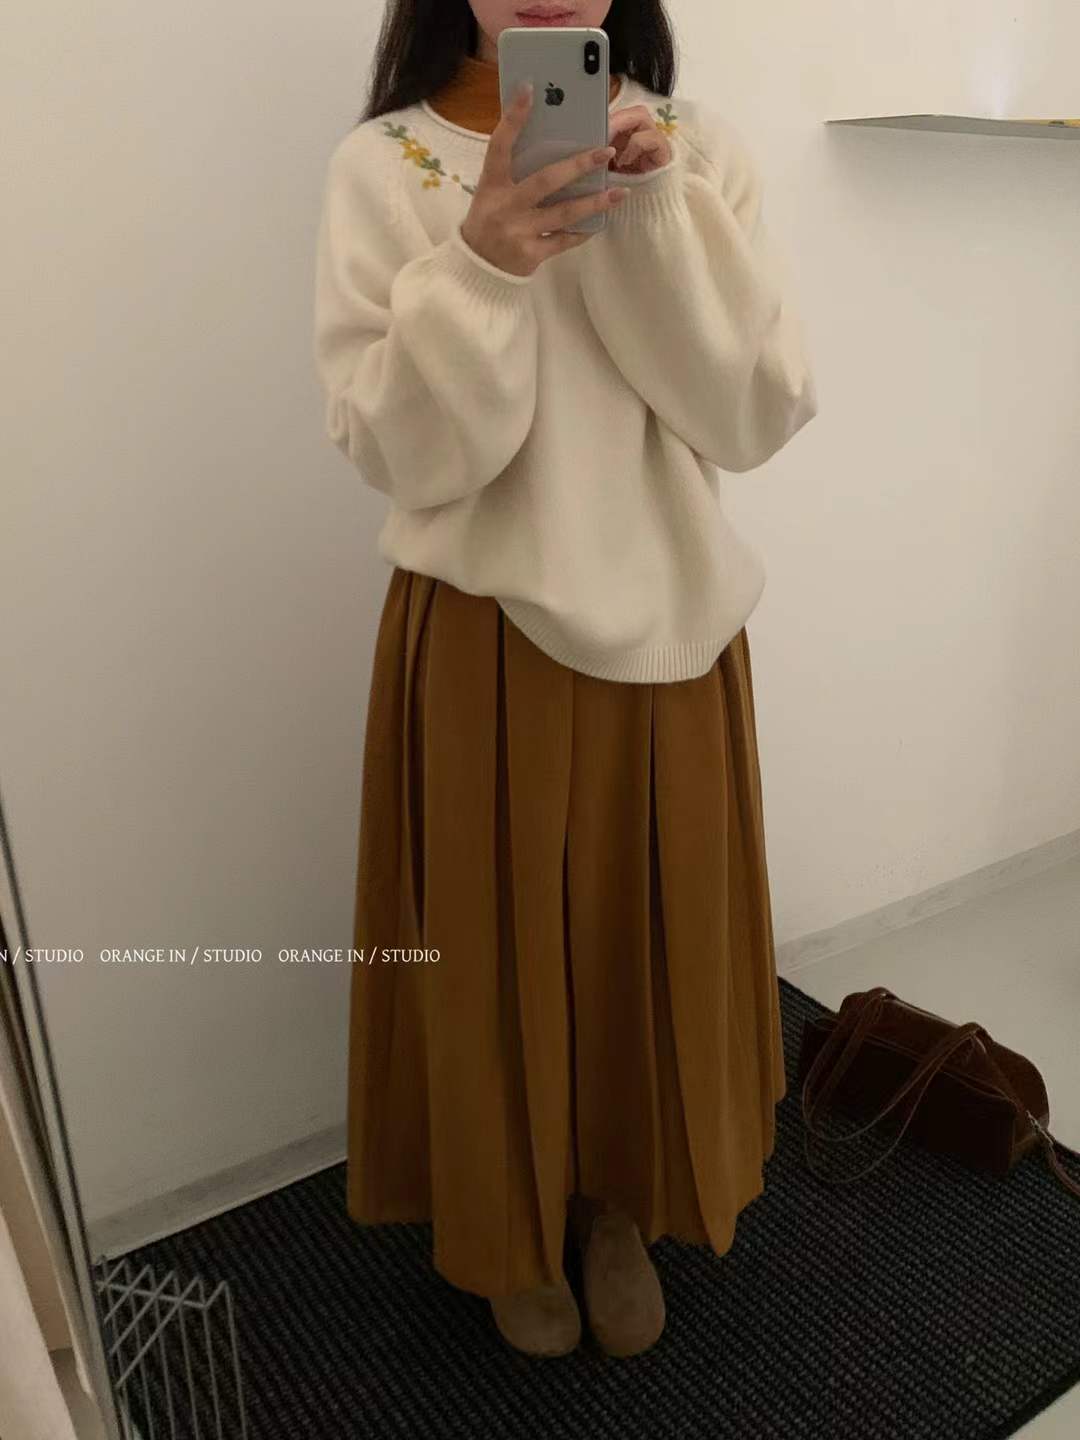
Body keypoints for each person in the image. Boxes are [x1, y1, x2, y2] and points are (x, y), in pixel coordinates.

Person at [312, 0, 818, 1360]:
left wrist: (656, 221)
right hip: (484, 632)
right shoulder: (384, 167)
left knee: (643, 937)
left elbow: (753, 414)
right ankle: (508, 1225)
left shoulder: (699, 151)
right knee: (493, 958)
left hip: (676, 625)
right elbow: (403, 455)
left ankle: (618, 1210)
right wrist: (481, 263)